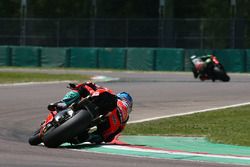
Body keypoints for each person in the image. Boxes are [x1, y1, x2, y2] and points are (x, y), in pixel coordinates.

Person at [47, 81, 133, 144]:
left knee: (82, 87)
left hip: (105, 102)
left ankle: (64, 102)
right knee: (103, 136)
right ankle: (88, 137)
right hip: (110, 121)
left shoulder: (114, 97)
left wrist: (77, 86)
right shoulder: (125, 119)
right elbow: (111, 137)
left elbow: (91, 85)